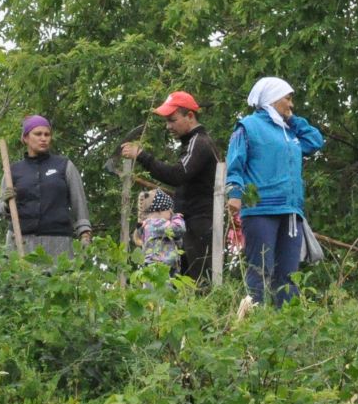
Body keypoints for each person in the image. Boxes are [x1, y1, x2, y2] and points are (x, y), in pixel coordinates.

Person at [224, 77, 323, 310]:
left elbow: (315, 141)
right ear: (271, 98)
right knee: (260, 269)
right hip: (261, 209)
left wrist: (292, 120)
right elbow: (235, 163)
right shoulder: (248, 126)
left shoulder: (289, 131)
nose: (291, 104)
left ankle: (286, 327)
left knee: (289, 275)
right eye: (287, 98)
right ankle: (254, 321)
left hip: (291, 211)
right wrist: (235, 194)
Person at [119, 90, 219, 283]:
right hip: (188, 223)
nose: (168, 126)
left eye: (172, 120)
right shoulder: (192, 143)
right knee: (182, 282)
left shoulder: (199, 142)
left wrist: (142, 156)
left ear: (190, 116)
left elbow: (177, 175)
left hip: (199, 224)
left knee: (199, 282)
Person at [0, 115, 92, 258]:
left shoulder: (64, 165)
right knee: (21, 280)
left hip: (59, 243)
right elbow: (0, 209)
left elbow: (79, 202)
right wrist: (5, 204)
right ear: (25, 138)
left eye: (47, 134)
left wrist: (85, 233)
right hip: (21, 242)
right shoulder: (12, 171)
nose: (43, 138)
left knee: (59, 279)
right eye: (38, 134)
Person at [135, 188, 186, 268]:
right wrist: (177, 217)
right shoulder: (156, 224)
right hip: (159, 270)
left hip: (154, 270)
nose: (171, 215)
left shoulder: (149, 225)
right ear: (160, 210)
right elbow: (179, 228)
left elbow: (177, 241)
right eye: (170, 211)